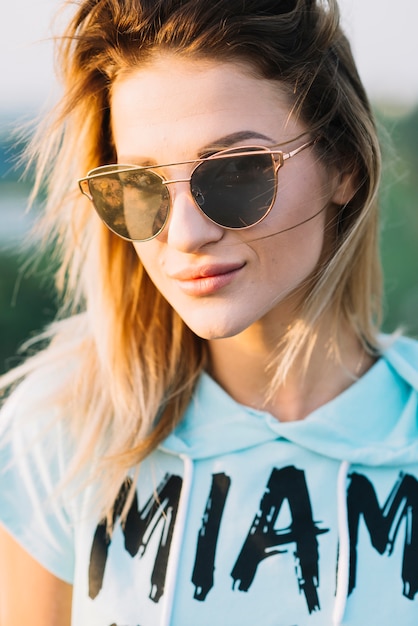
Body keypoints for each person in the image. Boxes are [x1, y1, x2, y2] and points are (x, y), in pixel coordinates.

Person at [0, 0, 417, 624]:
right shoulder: (60, 436)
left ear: (345, 166)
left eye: (235, 174)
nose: (185, 234)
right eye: (138, 188)